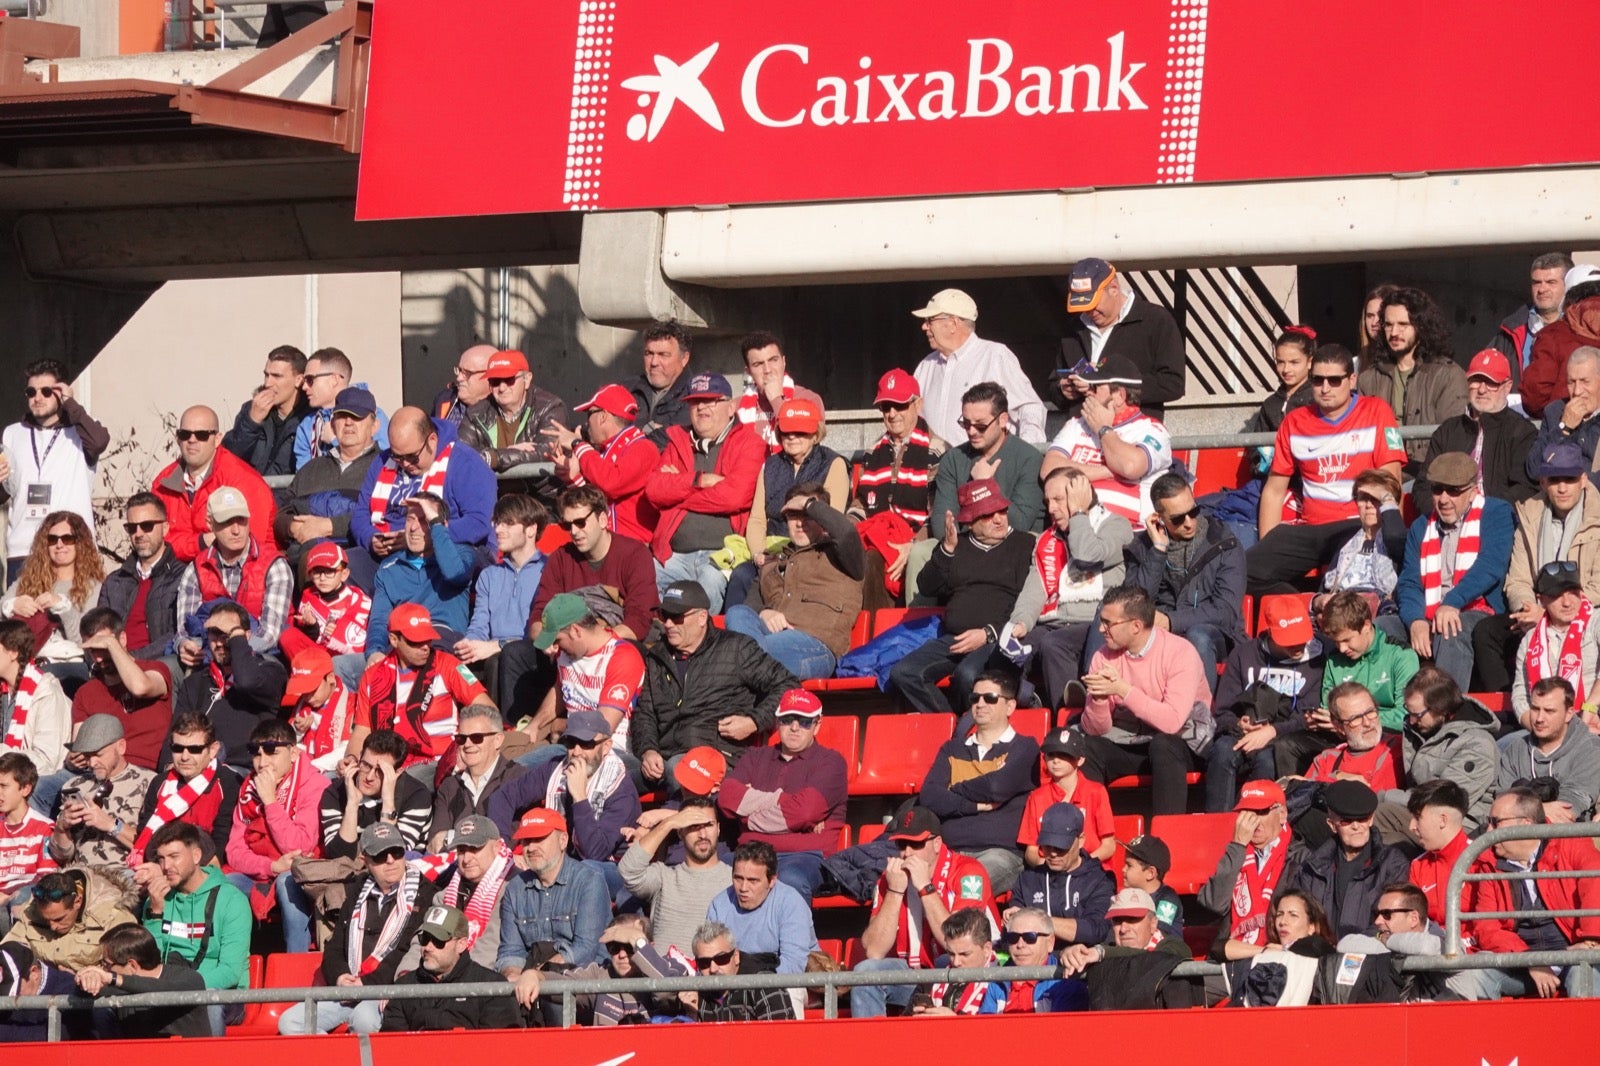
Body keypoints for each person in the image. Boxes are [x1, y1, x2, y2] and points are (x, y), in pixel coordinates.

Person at [1247, 343, 1407, 592]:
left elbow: (1391, 483)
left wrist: (1381, 537)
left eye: (1334, 380)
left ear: (1351, 380)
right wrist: (1269, 544)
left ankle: (1317, 602)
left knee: (1347, 584)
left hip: (1356, 525)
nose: (1325, 388)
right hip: (1310, 529)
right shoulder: (1295, 421)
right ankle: (1305, 602)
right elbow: (1274, 491)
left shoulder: (1376, 411)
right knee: (1243, 572)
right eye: (1318, 380)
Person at [632, 580, 796, 790]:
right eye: (665, 616)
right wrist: (648, 750)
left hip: (717, 759)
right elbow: (645, 713)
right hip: (664, 759)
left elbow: (788, 685)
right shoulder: (657, 656)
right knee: (613, 778)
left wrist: (754, 722)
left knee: (679, 769)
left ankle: (673, 818)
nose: (669, 624)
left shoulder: (736, 648)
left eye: (677, 617)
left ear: (702, 618)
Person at [891, 479, 1033, 714]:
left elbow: (1028, 601)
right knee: (904, 673)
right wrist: (946, 550)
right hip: (954, 638)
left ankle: (964, 729)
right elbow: (927, 587)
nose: (999, 519)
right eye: (988, 514)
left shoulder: (1024, 544)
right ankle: (950, 724)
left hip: (997, 639)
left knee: (967, 676)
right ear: (970, 520)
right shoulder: (957, 545)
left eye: (1002, 510)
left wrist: (988, 633)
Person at [279, 822, 436, 1035]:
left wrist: (366, 983)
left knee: (364, 1019)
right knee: (291, 1021)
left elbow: (409, 950)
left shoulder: (425, 893)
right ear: (366, 861)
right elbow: (335, 946)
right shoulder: (357, 889)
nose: (390, 860)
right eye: (381, 855)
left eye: (397, 853)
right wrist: (341, 977)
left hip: (387, 990)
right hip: (348, 988)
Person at [849, 806, 997, 1018]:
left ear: (937, 844)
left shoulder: (968, 872)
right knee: (865, 973)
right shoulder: (890, 878)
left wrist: (925, 888)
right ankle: (870, 1048)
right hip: (915, 974)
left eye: (916, 843)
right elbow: (874, 950)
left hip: (962, 971)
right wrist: (894, 890)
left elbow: (957, 942)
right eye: (902, 844)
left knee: (948, 962)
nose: (907, 852)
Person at [1079, 585, 1212, 816]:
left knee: (1163, 745)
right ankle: (1094, 833)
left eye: (1108, 623)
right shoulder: (1103, 656)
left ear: (1136, 626)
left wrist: (1122, 689)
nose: (1101, 629)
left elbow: (1172, 722)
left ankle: (1166, 837)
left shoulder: (1181, 653)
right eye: (1101, 621)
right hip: (1133, 740)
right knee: (1089, 748)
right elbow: (1095, 730)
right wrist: (1099, 700)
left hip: (1184, 743)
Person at [1459, 786, 1600, 1000]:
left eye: (1495, 822)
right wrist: (1530, 960)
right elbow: (1486, 927)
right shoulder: (1488, 862)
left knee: (1584, 974)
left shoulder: (1571, 843)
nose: (1488, 831)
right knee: (1474, 974)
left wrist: (1592, 941)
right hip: (1521, 963)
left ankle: (1583, 1034)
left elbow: (1595, 887)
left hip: (1574, 955)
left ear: (1525, 824)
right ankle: (1487, 1034)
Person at [1008, 468, 1131, 711]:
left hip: (1094, 624)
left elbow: (1087, 555)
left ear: (1081, 495)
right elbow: (1035, 589)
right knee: (1007, 654)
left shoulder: (1116, 526)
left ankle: (1069, 721)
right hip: (1053, 621)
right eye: (1047, 502)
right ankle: (1032, 703)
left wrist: (1078, 513)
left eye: (1058, 499)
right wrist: (1020, 623)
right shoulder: (1047, 540)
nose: (1050, 508)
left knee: (1054, 644)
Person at [643, 371, 765, 613]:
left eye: (711, 401)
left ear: (731, 407)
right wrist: (699, 480)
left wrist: (679, 493)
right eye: (695, 402)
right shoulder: (676, 440)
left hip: (722, 553)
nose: (701, 408)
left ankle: (699, 647)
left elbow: (734, 497)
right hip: (672, 554)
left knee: (706, 589)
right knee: (643, 581)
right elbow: (654, 490)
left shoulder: (749, 442)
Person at [1394, 450, 1513, 690]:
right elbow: (1409, 581)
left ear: (1472, 491)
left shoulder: (1496, 512)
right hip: (1429, 609)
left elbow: (1491, 566)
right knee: (1379, 629)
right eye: (1437, 490)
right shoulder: (1421, 526)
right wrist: (1415, 620)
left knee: (1450, 630)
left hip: (1477, 607)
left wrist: (1452, 602)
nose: (1444, 499)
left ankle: (1444, 713)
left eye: (1454, 491)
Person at [717, 689, 848, 902]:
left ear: (817, 725)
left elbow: (805, 812)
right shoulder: (754, 756)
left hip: (804, 857)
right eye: (788, 720)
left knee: (789, 881)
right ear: (778, 722)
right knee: (711, 875)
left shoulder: (831, 762)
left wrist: (748, 815)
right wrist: (787, 803)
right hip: (749, 855)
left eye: (805, 721)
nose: (795, 727)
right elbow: (727, 798)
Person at [486, 711, 641, 890]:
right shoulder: (555, 769)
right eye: (570, 743)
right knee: (502, 869)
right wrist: (503, 849)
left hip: (610, 870)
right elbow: (504, 796)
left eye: (586, 744)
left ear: (606, 746)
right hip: (558, 862)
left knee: (585, 871)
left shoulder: (621, 789)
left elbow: (596, 853)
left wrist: (579, 797)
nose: (576, 752)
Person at [726, 485, 865, 680]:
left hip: (815, 647)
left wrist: (808, 504)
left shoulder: (842, 555)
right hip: (767, 643)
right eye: (793, 515)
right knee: (736, 613)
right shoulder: (772, 564)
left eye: (808, 515)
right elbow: (747, 611)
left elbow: (846, 533)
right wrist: (764, 613)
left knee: (741, 657)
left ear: (824, 520)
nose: (800, 523)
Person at [919, 671, 1039, 893]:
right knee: (908, 884)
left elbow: (997, 787)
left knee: (961, 889)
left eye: (990, 698)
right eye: (975, 698)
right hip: (947, 851)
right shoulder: (952, 749)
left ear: (1010, 706)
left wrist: (953, 790)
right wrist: (972, 805)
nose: (980, 704)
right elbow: (929, 796)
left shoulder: (1025, 747)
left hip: (1000, 853)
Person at [1125, 472, 1245, 691]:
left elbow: (1225, 611)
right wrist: (1158, 551)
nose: (1189, 523)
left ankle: (1203, 717)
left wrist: (1171, 621)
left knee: (1197, 636)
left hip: (1217, 635)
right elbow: (1134, 603)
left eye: (1193, 511)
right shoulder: (1143, 547)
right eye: (1178, 519)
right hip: (1161, 635)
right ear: (1159, 518)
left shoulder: (1224, 543)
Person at [1206, 594, 1325, 812]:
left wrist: (1272, 731)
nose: (1298, 646)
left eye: (1301, 638)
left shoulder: (1317, 661)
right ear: (1271, 632)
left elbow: (1308, 717)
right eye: (1289, 640)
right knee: (1222, 752)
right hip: (1243, 734)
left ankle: (1257, 824)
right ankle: (1217, 823)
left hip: (1285, 737)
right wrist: (1238, 724)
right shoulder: (1244, 654)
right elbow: (1222, 711)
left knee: (1267, 760)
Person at [348, 603, 494, 773]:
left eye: (427, 639)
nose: (425, 647)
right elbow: (362, 731)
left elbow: (488, 711)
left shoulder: (449, 664)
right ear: (394, 640)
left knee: (403, 785)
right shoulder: (373, 675)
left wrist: (464, 746)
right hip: (386, 764)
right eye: (415, 641)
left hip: (438, 762)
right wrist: (351, 760)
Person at [224, 718, 329, 953]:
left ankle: (296, 965)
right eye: (256, 753)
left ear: (293, 753)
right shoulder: (250, 788)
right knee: (223, 884)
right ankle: (235, 967)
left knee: (287, 881)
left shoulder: (315, 784)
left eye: (271, 752)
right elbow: (234, 851)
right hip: (265, 870)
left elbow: (300, 845)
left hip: (304, 873)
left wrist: (270, 801)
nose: (262, 763)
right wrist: (271, 866)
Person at [351, 406, 497, 570]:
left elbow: (478, 523)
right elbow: (360, 514)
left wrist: (418, 538)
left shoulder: (466, 463)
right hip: (385, 554)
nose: (405, 464)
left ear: (432, 440)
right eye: (397, 456)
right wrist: (370, 539)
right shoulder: (383, 461)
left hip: (442, 552)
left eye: (412, 457)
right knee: (342, 565)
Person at [735, 398, 849, 608]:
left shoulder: (833, 463)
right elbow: (758, 519)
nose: (793, 437)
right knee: (741, 576)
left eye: (801, 431)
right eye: (787, 431)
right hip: (771, 550)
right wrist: (759, 553)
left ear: (815, 434)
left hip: (811, 551)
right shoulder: (770, 465)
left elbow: (833, 522)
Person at [1, 359, 108, 580]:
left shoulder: (81, 430)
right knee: (22, 613)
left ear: (60, 392)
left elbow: (99, 442)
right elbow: (7, 492)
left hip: (70, 547)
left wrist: (71, 404)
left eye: (46, 391)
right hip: (24, 550)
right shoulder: (13, 433)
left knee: (72, 614)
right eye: (31, 392)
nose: (37, 398)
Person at [1041, 357, 1174, 526]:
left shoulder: (1151, 429)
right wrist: (1109, 470)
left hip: (1130, 533)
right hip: (1075, 528)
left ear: (1119, 395)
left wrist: (1103, 429)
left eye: (1095, 388)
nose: (1088, 393)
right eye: (1088, 387)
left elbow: (1130, 466)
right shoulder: (1077, 424)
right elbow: (1049, 470)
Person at [851, 368, 949, 598]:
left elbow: (939, 516)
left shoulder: (939, 451)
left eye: (900, 405)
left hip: (919, 540)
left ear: (918, 405)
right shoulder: (871, 452)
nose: (892, 413)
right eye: (886, 407)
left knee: (881, 561)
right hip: (877, 539)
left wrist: (912, 545)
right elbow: (860, 504)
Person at [1053, 258, 1187, 422]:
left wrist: (1107, 383)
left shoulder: (1155, 320)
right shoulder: (1073, 329)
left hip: (1133, 432)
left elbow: (1173, 384)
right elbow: (1053, 383)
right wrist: (1064, 390)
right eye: (1082, 307)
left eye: (1093, 303)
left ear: (1114, 288)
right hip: (1081, 434)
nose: (1088, 312)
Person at [140, 819, 251, 1017]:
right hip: (167, 990)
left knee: (209, 1005)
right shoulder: (157, 899)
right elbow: (148, 961)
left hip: (220, 993)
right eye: (161, 859)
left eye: (174, 857)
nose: (166, 866)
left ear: (196, 855)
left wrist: (181, 990)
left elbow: (230, 971)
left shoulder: (232, 900)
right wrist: (155, 916)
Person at [174, 487, 295, 663]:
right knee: (167, 669)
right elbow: (184, 629)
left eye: (242, 520)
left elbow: (269, 635)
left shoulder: (274, 565)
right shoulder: (196, 569)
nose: (236, 530)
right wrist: (182, 645)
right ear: (210, 524)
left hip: (261, 657)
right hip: (208, 657)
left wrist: (229, 653)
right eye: (227, 522)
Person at [910, 288, 1046, 445]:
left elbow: (1029, 407)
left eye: (930, 321)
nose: (924, 327)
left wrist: (1025, 454)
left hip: (985, 466)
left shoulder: (995, 356)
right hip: (936, 468)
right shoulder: (926, 366)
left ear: (953, 323)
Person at [1411, 350, 1538, 516]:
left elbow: (1525, 489)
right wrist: (1445, 515)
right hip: (1446, 520)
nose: (1482, 389)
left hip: (1498, 522)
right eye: (1476, 380)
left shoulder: (1522, 432)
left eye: (1491, 382)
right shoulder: (1447, 431)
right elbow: (1423, 486)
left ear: (1507, 387)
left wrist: (1481, 513)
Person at [923, 379, 1045, 550]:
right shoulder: (953, 459)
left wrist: (985, 485)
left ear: (1002, 420)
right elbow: (942, 526)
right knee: (920, 552)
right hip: (962, 547)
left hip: (1012, 548)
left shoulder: (1029, 458)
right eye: (966, 424)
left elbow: (1021, 523)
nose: (971, 431)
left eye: (980, 425)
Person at [497, 808, 612, 986]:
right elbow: (510, 951)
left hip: (582, 983)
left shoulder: (589, 881)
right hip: (530, 982)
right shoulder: (514, 889)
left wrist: (538, 976)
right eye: (527, 840)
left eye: (539, 839)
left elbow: (585, 950)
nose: (531, 848)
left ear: (563, 840)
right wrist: (514, 975)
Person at [529, 484, 659, 641]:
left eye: (580, 523)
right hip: (568, 643)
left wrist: (595, 643)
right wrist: (545, 640)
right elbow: (541, 613)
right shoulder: (561, 558)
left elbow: (639, 618)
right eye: (567, 525)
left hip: (617, 644)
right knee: (515, 654)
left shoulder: (635, 555)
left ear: (603, 519)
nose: (574, 532)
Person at [171, 600, 288, 775]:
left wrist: (236, 635)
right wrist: (168, 767)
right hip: (196, 765)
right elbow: (176, 731)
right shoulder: (196, 682)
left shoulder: (269, 673)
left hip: (243, 770)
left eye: (226, 635)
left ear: (245, 635)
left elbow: (246, 681)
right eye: (213, 635)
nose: (219, 643)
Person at [273, 386, 383, 570]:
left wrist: (330, 526)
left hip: (358, 566)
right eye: (341, 416)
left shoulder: (386, 467)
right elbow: (282, 513)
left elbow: (386, 516)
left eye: (357, 417)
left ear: (374, 426)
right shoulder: (311, 469)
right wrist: (294, 527)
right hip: (305, 564)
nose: (348, 423)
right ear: (332, 425)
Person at [1283, 779, 1409, 939]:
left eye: (1362, 819)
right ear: (1332, 824)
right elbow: (1299, 917)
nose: (1356, 826)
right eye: (1346, 821)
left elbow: (1392, 920)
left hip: (1370, 955)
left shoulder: (1392, 863)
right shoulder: (1312, 868)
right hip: (1320, 955)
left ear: (1371, 819)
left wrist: (1352, 948)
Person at [151, 405, 277, 564]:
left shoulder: (243, 480)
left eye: (202, 434)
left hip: (243, 572)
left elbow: (246, 546)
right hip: (177, 573)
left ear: (217, 439)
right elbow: (155, 544)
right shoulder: (163, 483)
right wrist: (201, 542)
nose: (192, 440)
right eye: (184, 434)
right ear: (177, 438)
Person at [453, 493, 546, 708]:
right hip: (491, 652)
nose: (498, 530)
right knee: (452, 658)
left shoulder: (548, 570)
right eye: (497, 522)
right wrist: (470, 643)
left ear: (531, 529)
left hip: (531, 655)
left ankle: (504, 728)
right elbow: (479, 624)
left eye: (508, 523)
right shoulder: (489, 575)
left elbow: (541, 634)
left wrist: (498, 645)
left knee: (500, 660)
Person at [1381, 666, 1499, 835]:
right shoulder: (1422, 731)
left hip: (1460, 826)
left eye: (1418, 715)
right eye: (1409, 712)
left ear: (1441, 708)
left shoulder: (1477, 744)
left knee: (1382, 815)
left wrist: (1384, 796)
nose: (1412, 721)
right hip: (1421, 815)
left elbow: (1444, 800)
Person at [525, 593, 647, 755]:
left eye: (557, 640)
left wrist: (560, 726)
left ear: (575, 631)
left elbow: (602, 727)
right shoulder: (565, 654)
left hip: (607, 750)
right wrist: (534, 725)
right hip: (569, 744)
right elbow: (561, 690)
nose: (554, 647)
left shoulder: (622, 657)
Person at [1358, 287, 1469, 465]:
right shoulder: (1368, 379)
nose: (1394, 333)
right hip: (1381, 474)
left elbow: (1453, 440)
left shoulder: (1448, 375)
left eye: (1403, 325)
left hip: (1430, 474)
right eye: (1388, 325)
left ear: (1421, 326)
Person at [542, 382, 658, 544]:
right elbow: (595, 506)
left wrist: (578, 444)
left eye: (589, 414)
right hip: (607, 547)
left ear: (603, 416)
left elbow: (611, 483)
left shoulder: (643, 447)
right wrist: (573, 477)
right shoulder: (605, 451)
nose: (586, 424)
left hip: (633, 549)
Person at [381, 904, 524, 1032]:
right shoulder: (404, 987)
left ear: (461, 944)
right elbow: (393, 1048)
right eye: (424, 939)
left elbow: (500, 1049)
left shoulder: (491, 986)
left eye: (438, 941)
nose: (428, 947)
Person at [618, 797, 732, 956]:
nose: (702, 834)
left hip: (712, 974)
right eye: (693, 826)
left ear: (718, 829)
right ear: (680, 832)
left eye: (708, 825)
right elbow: (628, 871)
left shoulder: (734, 881)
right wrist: (668, 823)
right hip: (665, 976)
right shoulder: (664, 877)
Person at [3, 511, 103, 687]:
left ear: (80, 543)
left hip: (69, 664)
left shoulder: (94, 587)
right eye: (52, 539)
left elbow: (83, 641)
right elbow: (3, 607)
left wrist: (63, 607)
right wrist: (13, 605)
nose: (59, 545)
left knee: (43, 679)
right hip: (24, 661)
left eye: (67, 539)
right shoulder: (28, 580)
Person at [366, 494, 475, 654]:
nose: (413, 527)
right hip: (402, 644)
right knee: (343, 666)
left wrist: (436, 524)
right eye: (410, 519)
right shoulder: (389, 567)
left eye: (424, 520)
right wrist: (375, 651)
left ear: (440, 525)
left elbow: (454, 574)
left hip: (443, 641)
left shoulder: (462, 554)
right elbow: (379, 620)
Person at [1198, 780, 1293, 959]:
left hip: (1280, 958)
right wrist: (1237, 846)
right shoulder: (1234, 852)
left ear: (1282, 814)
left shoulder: (1299, 857)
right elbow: (1214, 904)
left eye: (1261, 812)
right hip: (1231, 956)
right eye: (1246, 813)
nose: (1253, 821)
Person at [129, 712, 239, 866]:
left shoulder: (228, 782)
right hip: (160, 864)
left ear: (213, 750)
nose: (184, 757)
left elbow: (221, 843)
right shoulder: (159, 782)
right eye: (178, 748)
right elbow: (146, 834)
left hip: (205, 867)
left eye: (194, 749)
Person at [73, 608, 173, 774]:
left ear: (123, 639)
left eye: (103, 648)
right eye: (92, 650)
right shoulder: (86, 692)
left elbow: (140, 688)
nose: (98, 658)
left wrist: (111, 644)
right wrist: (73, 759)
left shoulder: (155, 669)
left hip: (144, 771)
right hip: (98, 772)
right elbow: (79, 743)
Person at [73, 922, 212, 1039]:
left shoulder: (190, 979)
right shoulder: (117, 986)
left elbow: (163, 991)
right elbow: (81, 995)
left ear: (132, 965)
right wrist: (86, 978)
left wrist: (112, 978)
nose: (104, 969)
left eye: (106, 964)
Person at [456, 348, 568, 491]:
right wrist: (506, 452)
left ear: (527, 380)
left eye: (509, 379)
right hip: (494, 499)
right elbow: (459, 454)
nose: (502, 388)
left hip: (541, 500)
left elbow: (547, 451)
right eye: (495, 381)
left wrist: (493, 457)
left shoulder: (550, 407)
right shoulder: (475, 413)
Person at [48, 714, 151, 868]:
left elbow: (155, 848)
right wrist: (62, 828)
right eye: (87, 756)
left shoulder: (148, 782)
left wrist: (111, 825)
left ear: (121, 747)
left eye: (98, 754)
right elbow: (62, 857)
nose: (92, 762)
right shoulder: (73, 786)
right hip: (81, 877)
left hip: (126, 876)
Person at [705, 840, 818, 977]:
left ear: (772, 880)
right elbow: (710, 959)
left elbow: (793, 966)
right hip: (732, 985)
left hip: (785, 984)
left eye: (753, 881)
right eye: (738, 878)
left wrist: (753, 987)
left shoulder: (791, 903)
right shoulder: (719, 905)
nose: (743, 888)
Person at [97, 493, 185, 663]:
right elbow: (97, 630)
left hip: (158, 667)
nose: (138, 534)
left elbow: (178, 633)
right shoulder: (115, 581)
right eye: (132, 527)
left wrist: (132, 659)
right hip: (112, 666)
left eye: (147, 526)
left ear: (165, 528)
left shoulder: (182, 577)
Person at [1010, 802, 1112, 948]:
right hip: (1035, 963)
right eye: (1047, 845)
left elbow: (1095, 930)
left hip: (1080, 963)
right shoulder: (1027, 880)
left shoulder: (1099, 880)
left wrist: (1036, 921)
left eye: (1060, 847)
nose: (1052, 853)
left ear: (1081, 840)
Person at [1497, 677, 1600, 823]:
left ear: (1569, 713)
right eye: (1535, 709)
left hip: (1569, 838)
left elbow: (1569, 807)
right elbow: (1501, 804)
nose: (1539, 718)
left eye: (1549, 711)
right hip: (1515, 838)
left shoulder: (1591, 749)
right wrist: (1543, 808)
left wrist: (1523, 809)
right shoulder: (1515, 750)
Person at [321, 727, 433, 858]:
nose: (369, 777)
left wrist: (388, 801)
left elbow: (393, 854)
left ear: (397, 772)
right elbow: (338, 856)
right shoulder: (335, 792)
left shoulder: (417, 795)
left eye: (380, 771)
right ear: (359, 756)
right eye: (366, 765)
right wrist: (352, 804)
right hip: (349, 872)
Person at [1319, 590, 1421, 735]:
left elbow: (1407, 715)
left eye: (1346, 640)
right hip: (1343, 735)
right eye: (1336, 642)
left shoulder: (1401, 655)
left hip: (1386, 735)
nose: (1342, 648)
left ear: (1366, 626)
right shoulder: (1334, 660)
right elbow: (1328, 708)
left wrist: (1356, 721)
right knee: (1289, 745)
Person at [1, 866, 135, 973]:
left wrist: (85, 975)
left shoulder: (115, 916)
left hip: (95, 998)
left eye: (59, 919)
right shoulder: (33, 910)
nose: (53, 927)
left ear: (77, 901)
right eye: (46, 920)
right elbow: (9, 950)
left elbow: (127, 968)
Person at [1314, 469, 1407, 618]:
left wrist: (1387, 498)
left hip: (1377, 615)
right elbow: (1326, 589)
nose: (1369, 505)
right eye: (1363, 498)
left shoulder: (1399, 540)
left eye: (1376, 499)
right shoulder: (1346, 542)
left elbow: (1395, 535)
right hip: (1339, 611)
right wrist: (1319, 600)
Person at [1511, 563, 1600, 718]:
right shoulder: (1530, 639)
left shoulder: (1596, 621)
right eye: (1557, 595)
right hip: (1543, 727)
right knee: (1505, 742)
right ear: (1541, 600)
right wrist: (1539, 726)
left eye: (1573, 593)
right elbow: (1520, 696)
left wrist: (1590, 706)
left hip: (1592, 719)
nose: (1567, 602)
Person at [429, 707, 526, 842]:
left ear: (498, 740)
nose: (467, 744)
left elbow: (509, 839)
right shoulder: (449, 786)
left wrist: (453, 837)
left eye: (476, 737)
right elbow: (435, 843)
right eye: (461, 739)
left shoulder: (518, 779)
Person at [1019, 727, 1114, 865]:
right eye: (1051, 755)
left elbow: (1109, 846)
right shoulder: (1036, 797)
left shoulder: (1096, 791)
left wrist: (1080, 865)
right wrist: (1047, 865)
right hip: (1050, 871)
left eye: (1064, 755)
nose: (1056, 760)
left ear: (1080, 760)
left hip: (1090, 870)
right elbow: (1031, 851)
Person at [285, 543, 370, 690]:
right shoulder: (308, 595)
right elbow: (307, 638)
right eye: (317, 572)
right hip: (316, 655)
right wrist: (312, 627)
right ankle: (307, 677)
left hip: (341, 661)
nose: (322, 578)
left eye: (329, 572)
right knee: (287, 635)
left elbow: (359, 643)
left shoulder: (359, 599)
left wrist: (336, 634)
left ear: (344, 574)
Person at [1290, 682, 1400, 796]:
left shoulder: (1394, 748)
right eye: (1355, 718)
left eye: (1370, 712)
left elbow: (1371, 796)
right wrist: (1339, 777)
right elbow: (1304, 797)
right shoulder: (1326, 760)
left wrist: (1333, 779)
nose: (1367, 723)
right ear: (1339, 726)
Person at [1522, 263, 1600, 418]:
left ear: (1568, 297)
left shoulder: (1554, 335)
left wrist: (1556, 417)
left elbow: (1534, 398)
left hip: (1572, 428)